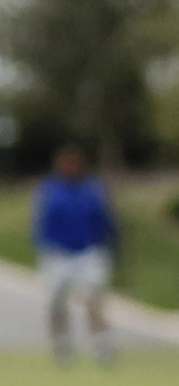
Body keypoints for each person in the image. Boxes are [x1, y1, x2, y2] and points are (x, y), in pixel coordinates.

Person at [34, 143, 121, 367]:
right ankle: (61, 345)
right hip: (57, 252)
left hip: (89, 251)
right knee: (56, 300)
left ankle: (101, 345)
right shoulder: (50, 188)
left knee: (93, 297)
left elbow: (106, 219)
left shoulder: (93, 188)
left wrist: (114, 243)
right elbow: (42, 222)